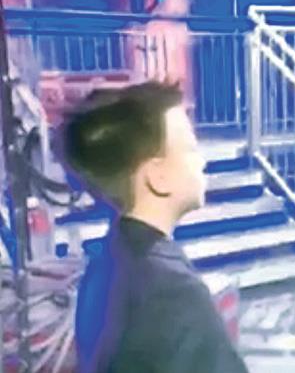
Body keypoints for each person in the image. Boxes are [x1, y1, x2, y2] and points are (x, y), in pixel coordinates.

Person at [59, 81, 248, 373]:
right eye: (190, 149)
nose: (202, 161)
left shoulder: (106, 261)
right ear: (157, 177)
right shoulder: (173, 293)